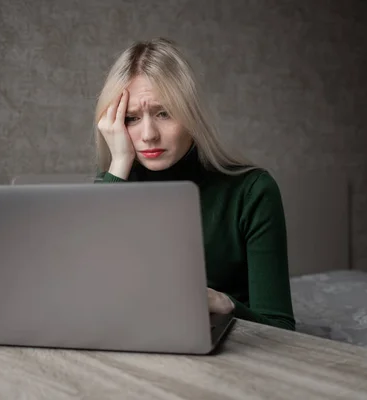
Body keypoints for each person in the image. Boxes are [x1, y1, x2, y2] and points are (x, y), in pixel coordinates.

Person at [92, 37, 295, 331]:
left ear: (191, 116)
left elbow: (281, 328)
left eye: (164, 113)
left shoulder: (253, 191)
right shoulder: (113, 185)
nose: (148, 134)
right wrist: (119, 161)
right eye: (131, 118)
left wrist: (225, 305)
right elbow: (88, 294)